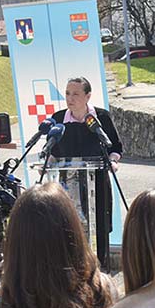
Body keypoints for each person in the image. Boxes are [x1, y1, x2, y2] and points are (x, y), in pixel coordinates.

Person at [50, 77, 123, 267]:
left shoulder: (101, 118)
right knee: (71, 225)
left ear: (88, 96)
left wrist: (113, 161)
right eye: (67, 93)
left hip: (97, 180)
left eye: (75, 94)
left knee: (100, 221)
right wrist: (48, 162)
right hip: (68, 183)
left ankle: (102, 267)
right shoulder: (58, 119)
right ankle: (75, 268)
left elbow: (115, 148)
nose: (70, 98)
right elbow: (53, 153)